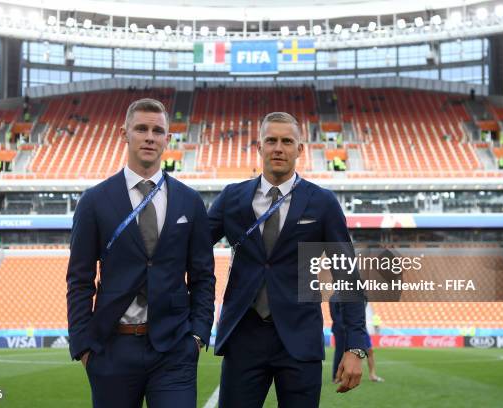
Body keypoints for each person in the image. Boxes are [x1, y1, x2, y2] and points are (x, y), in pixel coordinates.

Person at [208, 112, 367, 408]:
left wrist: (356, 345)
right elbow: (192, 249)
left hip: (299, 338)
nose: (278, 147)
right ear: (259, 147)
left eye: (286, 141)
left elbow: (347, 275)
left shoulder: (322, 203)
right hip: (244, 336)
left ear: (300, 149)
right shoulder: (232, 198)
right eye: (271, 140)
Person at [67, 98, 215, 408]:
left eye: (157, 130)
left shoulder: (190, 202)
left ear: (167, 139)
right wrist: (83, 346)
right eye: (141, 129)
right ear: (125, 133)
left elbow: (203, 276)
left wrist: (198, 335)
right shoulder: (94, 201)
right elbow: (79, 279)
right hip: (111, 349)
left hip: (174, 349)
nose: (150, 136)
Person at [330, 301, 383, 383]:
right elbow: (336, 316)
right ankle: (339, 376)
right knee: (344, 352)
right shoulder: (337, 297)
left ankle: (372, 375)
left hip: (360, 327)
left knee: (369, 351)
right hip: (348, 329)